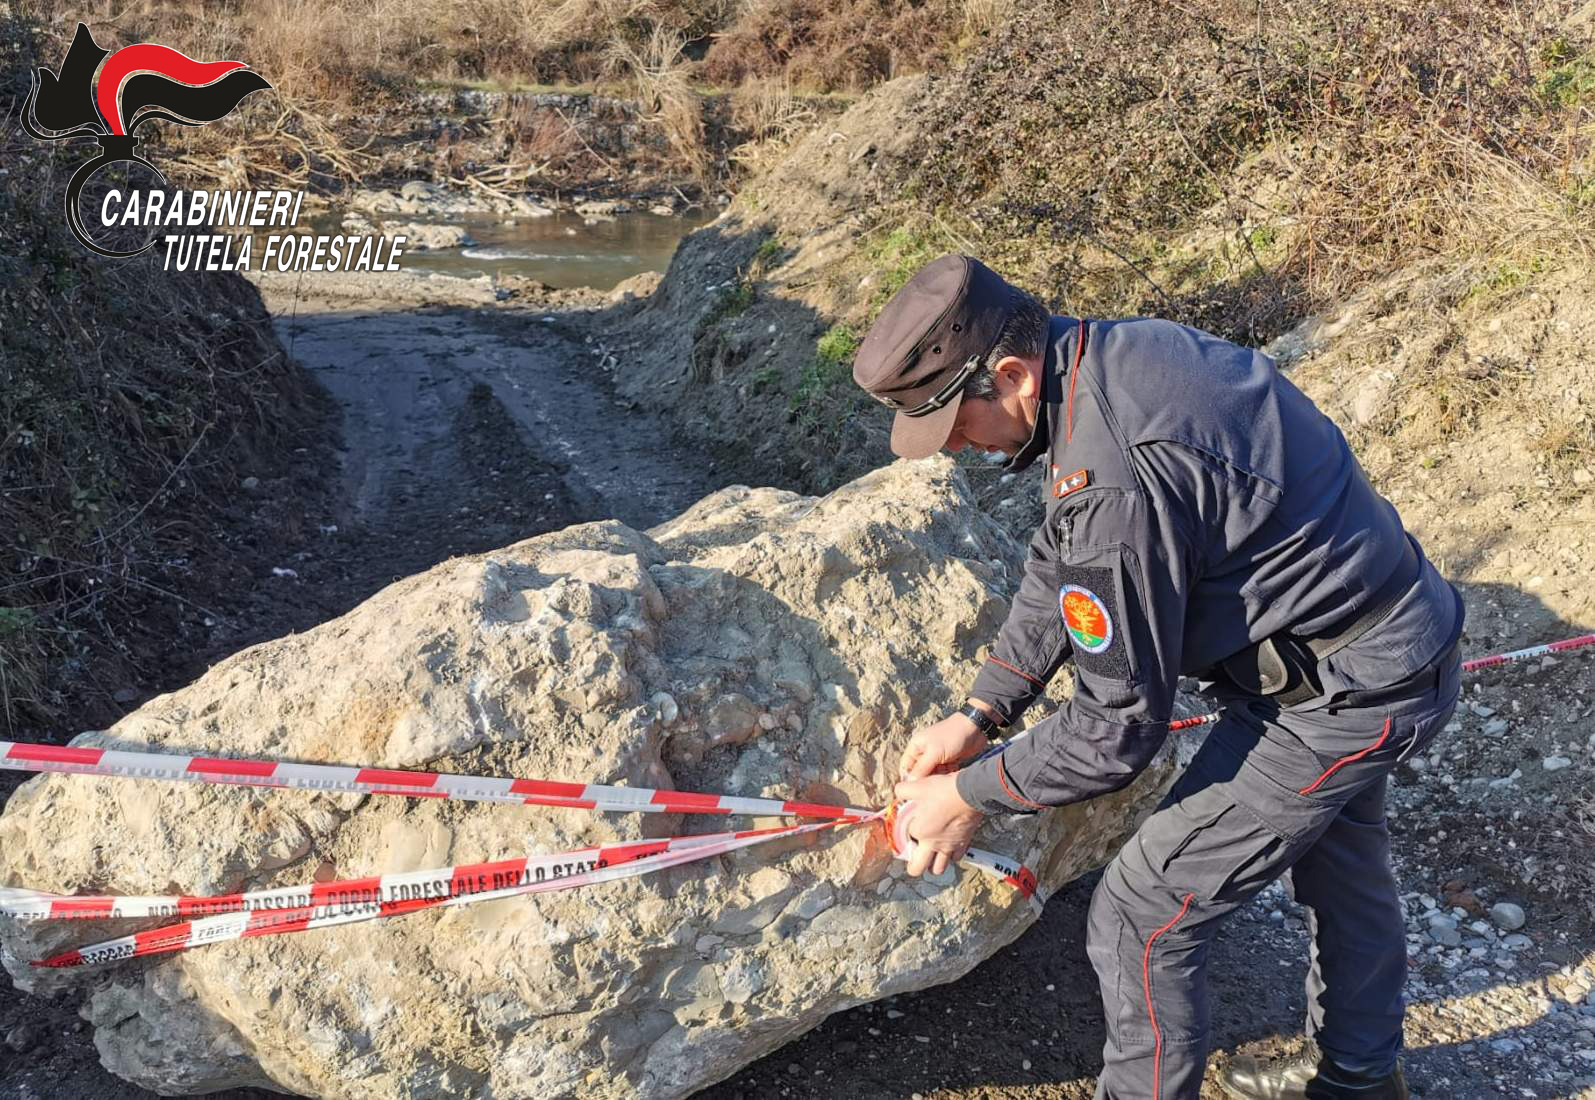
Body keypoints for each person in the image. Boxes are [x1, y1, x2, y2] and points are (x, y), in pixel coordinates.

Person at [851, 255, 1464, 1100]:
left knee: (1143, 911)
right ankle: (1359, 1078)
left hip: (1344, 693)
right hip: (1381, 634)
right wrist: (982, 710)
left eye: (953, 423)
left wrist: (969, 795)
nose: (955, 447)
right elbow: (1059, 557)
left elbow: (1112, 735)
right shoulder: (1110, 357)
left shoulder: (1113, 476)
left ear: (1009, 375)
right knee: (1339, 857)